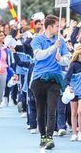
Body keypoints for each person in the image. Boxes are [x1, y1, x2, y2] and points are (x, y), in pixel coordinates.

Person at [30, 15, 70, 150]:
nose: (59, 28)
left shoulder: (61, 41)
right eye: (57, 26)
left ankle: (50, 137)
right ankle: (42, 135)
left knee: (52, 109)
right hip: (39, 78)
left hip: (55, 79)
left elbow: (67, 60)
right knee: (41, 110)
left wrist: (60, 59)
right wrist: (53, 48)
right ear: (50, 27)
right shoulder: (37, 39)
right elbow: (39, 55)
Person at [65, 44, 81, 142]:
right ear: (80, 54)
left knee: (80, 111)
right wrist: (68, 86)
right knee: (74, 113)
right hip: (74, 92)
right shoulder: (73, 65)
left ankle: (80, 132)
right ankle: (74, 133)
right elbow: (67, 78)